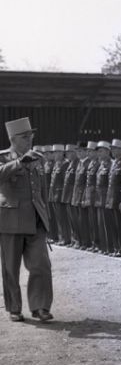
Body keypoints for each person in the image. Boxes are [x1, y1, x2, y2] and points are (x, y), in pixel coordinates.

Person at [0, 117, 54, 322]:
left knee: (41, 264)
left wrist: (47, 218)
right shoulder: (4, 158)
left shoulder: (38, 158)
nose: (29, 140)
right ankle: (14, 307)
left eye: (31, 136)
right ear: (13, 139)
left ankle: (40, 307)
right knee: (10, 268)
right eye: (24, 137)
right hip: (10, 220)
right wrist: (18, 163)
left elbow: (43, 191)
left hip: (36, 220)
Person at [105, 139, 121, 257]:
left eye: (114, 149)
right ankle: (116, 247)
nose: (112, 151)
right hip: (111, 198)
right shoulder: (114, 163)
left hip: (118, 199)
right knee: (113, 225)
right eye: (112, 149)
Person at [49, 144, 70, 245]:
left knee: (63, 218)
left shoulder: (65, 164)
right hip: (54, 195)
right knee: (58, 218)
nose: (55, 155)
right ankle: (60, 237)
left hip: (60, 194)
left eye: (57, 152)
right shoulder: (56, 164)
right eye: (54, 153)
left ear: (62, 153)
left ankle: (66, 238)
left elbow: (65, 182)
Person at [71, 143, 91, 249]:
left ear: (86, 152)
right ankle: (79, 241)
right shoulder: (79, 163)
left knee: (84, 221)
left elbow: (87, 184)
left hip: (82, 196)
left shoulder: (88, 164)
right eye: (77, 151)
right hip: (76, 196)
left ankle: (85, 242)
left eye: (80, 151)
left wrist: (84, 197)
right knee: (77, 221)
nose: (78, 153)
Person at [94, 141, 113, 254]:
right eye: (98, 152)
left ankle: (110, 248)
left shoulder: (111, 164)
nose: (99, 154)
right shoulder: (101, 165)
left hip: (106, 198)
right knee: (101, 224)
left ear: (107, 152)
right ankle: (104, 247)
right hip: (99, 199)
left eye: (101, 151)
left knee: (108, 224)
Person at [81, 141, 99, 252]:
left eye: (90, 151)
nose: (88, 153)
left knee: (96, 222)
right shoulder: (90, 164)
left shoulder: (98, 164)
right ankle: (93, 243)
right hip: (89, 195)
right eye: (87, 151)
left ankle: (98, 244)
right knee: (91, 221)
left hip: (95, 196)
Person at [61, 144, 78, 246]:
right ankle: (72, 239)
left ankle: (76, 239)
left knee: (75, 220)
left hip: (73, 195)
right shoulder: (69, 164)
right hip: (67, 195)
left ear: (75, 153)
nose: (67, 154)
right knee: (70, 220)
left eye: (70, 152)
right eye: (67, 152)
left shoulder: (77, 164)